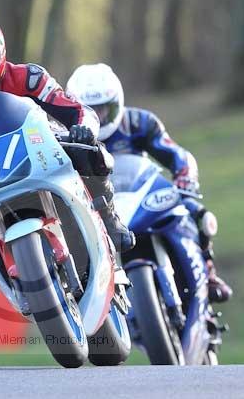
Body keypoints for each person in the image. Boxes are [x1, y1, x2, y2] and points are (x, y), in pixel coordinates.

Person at [0, 13, 135, 263]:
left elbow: (77, 110)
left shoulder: (30, 77)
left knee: (90, 150)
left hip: (39, 154)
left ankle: (109, 219)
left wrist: (82, 129)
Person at [66, 63, 233, 303]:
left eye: (104, 110)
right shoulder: (67, 135)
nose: (98, 118)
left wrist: (185, 177)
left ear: (117, 103)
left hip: (141, 197)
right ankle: (85, 294)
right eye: (90, 110)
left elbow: (176, 153)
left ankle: (209, 272)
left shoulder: (139, 123)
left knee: (195, 212)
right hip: (99, 209)